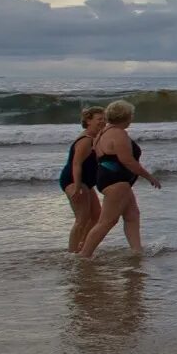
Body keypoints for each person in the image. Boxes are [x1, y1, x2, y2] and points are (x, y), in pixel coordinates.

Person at [77, 100, 161, 258]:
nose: (132, 118)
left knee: (132, 215)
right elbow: (127, 160)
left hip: (107, 178)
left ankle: (137, 251)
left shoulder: (102, 132)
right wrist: (149, 177)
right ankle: (84, 255)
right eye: (131, 115)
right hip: (116, 181)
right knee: (107, 221)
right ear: (126, 116)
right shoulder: (119, 133)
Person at [59, 105, 106, 252]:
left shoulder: (96, 137)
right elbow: (76, 164)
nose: (103, 121)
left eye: (104, 118)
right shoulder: (85, 139)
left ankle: (82, 246)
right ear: (88, 121)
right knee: (81, 219)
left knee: (97, 216)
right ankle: (72, 253)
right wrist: (78, 186)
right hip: (74, 180)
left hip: (86, 183)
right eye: (99, 119)